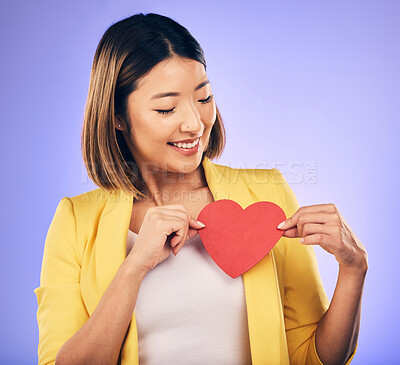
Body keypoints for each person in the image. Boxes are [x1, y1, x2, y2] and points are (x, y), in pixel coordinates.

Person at [34, 12, 368, 365]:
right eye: (166, 108)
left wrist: (353, 270)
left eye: (204, 98)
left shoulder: (267, 194)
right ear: (117, 116)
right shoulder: (76, 220)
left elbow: (313, 358)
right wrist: (134, 266)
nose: (194, 123)